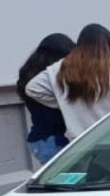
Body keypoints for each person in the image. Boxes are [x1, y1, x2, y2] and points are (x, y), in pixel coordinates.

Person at [25, 23, 110, 139]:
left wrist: (64, 102)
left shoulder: (61, 68)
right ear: (107, 45)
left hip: (81, 144)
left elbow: (32, 88)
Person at [16, 33, 75, 164]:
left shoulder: (29, 74)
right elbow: (55, 118)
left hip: (40, 140)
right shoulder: (52, 79)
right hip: (55, 140)